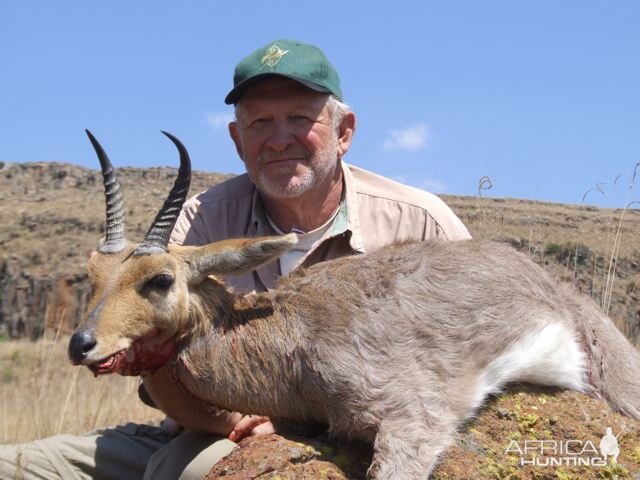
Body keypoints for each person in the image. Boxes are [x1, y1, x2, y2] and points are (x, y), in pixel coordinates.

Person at [0, 39, 470, 480]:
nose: (280, 139)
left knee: (192, 469)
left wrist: (296, 422)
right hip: (203, 424)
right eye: (260, 122)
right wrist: (231, 413)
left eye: (300, 118)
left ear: (344, 132)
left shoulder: (421, 223)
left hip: (357, 434)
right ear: (237, 139)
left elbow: (477, 347)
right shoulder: (200, 221)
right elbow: (158, 355)